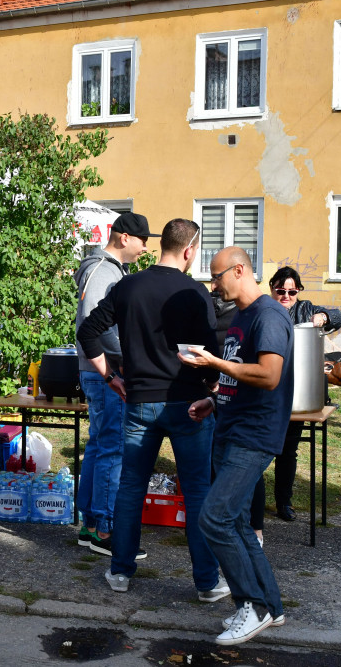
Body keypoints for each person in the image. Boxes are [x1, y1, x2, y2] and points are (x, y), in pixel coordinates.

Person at [77, 218, 225, 602]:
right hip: (188, 404)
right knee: (197, 492)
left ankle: (120, 571)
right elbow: (210, 355)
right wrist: (211, 391)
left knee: (130, 487)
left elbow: (87, 332)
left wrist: (111, 377)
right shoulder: (194, 292)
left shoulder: (129, 285)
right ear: (190, 250)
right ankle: (207, 583)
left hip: (139, 401)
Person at [181, 246, 291, 646]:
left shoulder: (268, 314)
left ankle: (253, 606)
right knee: (238, 524)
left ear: (240, 270)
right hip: (230, 425)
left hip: (253, 434)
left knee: (214, 519)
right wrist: (214, 400)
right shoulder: (243, 316)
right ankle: (272, 608)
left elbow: (268, 374)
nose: (213, 286)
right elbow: (239, 378)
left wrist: (215, 363)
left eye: (217, 277)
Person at [73, 213, 151, 552]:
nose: (145, 248)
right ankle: (106, 532)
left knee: (99, 444)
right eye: (142, 240)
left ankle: (90, 523)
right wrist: (133, 353)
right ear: (123, 238)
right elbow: (95, 325)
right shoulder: (104, 270)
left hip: (99, 369)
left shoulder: (107, 270)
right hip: (105, 369)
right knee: (113, 447)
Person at [252, 267, 341, 530]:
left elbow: (339, 317)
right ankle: (250, 502)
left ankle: (284, 502)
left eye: (292, 291)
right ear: (271, 288)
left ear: (299, 291)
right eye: (281, 291)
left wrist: (324, 316)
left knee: (288, 451)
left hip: (299, 393)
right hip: (267, 392)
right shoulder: (263, 309)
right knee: (258, 449)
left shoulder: (305, 309)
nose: (286, 296)